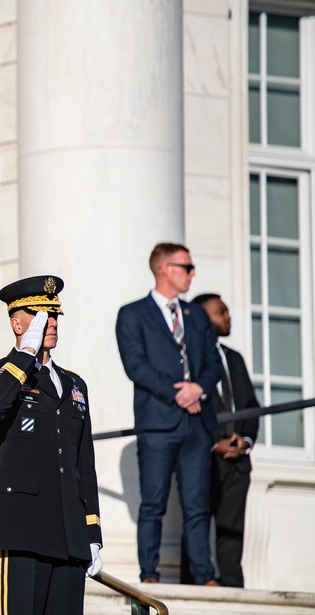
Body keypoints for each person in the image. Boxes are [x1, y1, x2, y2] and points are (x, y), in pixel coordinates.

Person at [0, 275, 102, 615]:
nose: (52, 322)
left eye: (55, 315)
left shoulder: (74, 384)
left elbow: (83, 463)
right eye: (41, 316)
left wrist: (92, 532)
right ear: (17, 323)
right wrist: (25, 353)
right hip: (21, 528)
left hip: (69, 532)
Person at [115, 243, 222, 585]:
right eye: (186, 267)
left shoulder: (197, 315)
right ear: (164, 268)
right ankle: (149, 574)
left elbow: (214, 363)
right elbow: (136, 367)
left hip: (196, 424)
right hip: (159, 422)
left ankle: (205, 575)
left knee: (196, 504)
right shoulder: (132, 314)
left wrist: (198, 389)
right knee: (154, 503)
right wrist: (180, 392)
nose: (192, 273)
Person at [179, 293, 260, 587]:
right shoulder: (189, 359)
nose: (228, 316)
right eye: (220, 311)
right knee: (197, 520)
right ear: (201, 318)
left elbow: (252, 405)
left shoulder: (234, 358)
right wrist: (215, 442)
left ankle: (233, 588)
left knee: (232, 529)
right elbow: (188, 406)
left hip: (239, 461)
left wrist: (245, 440)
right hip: (204, 455)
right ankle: (192, 585)